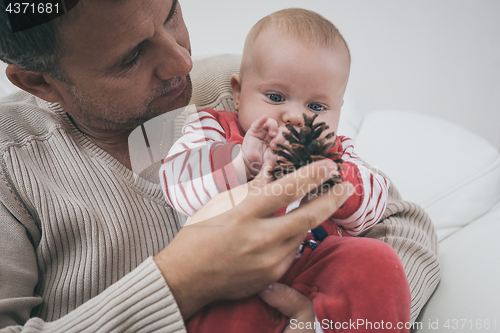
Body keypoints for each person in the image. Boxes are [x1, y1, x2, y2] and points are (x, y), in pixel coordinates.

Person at [0, 0, 440, 332]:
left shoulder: (246, 86)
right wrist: (182, 280)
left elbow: (404, 228)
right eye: (131, 56)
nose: (181, 61)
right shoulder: (11, 163)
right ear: (38, 82)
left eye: (171, 12)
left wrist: (331, 321)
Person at [160, 9, 402, 333]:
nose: (295, 116)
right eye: (275, 97)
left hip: (314, 264)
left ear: (338, 110)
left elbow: (372, 209)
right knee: (223, 316)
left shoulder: (338, 151)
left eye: (316, 107)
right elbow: (177, 184)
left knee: (376, 262)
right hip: (231, 269)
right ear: (238, 93)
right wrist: (241, 162)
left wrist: (330, 174)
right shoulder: (213, 128)